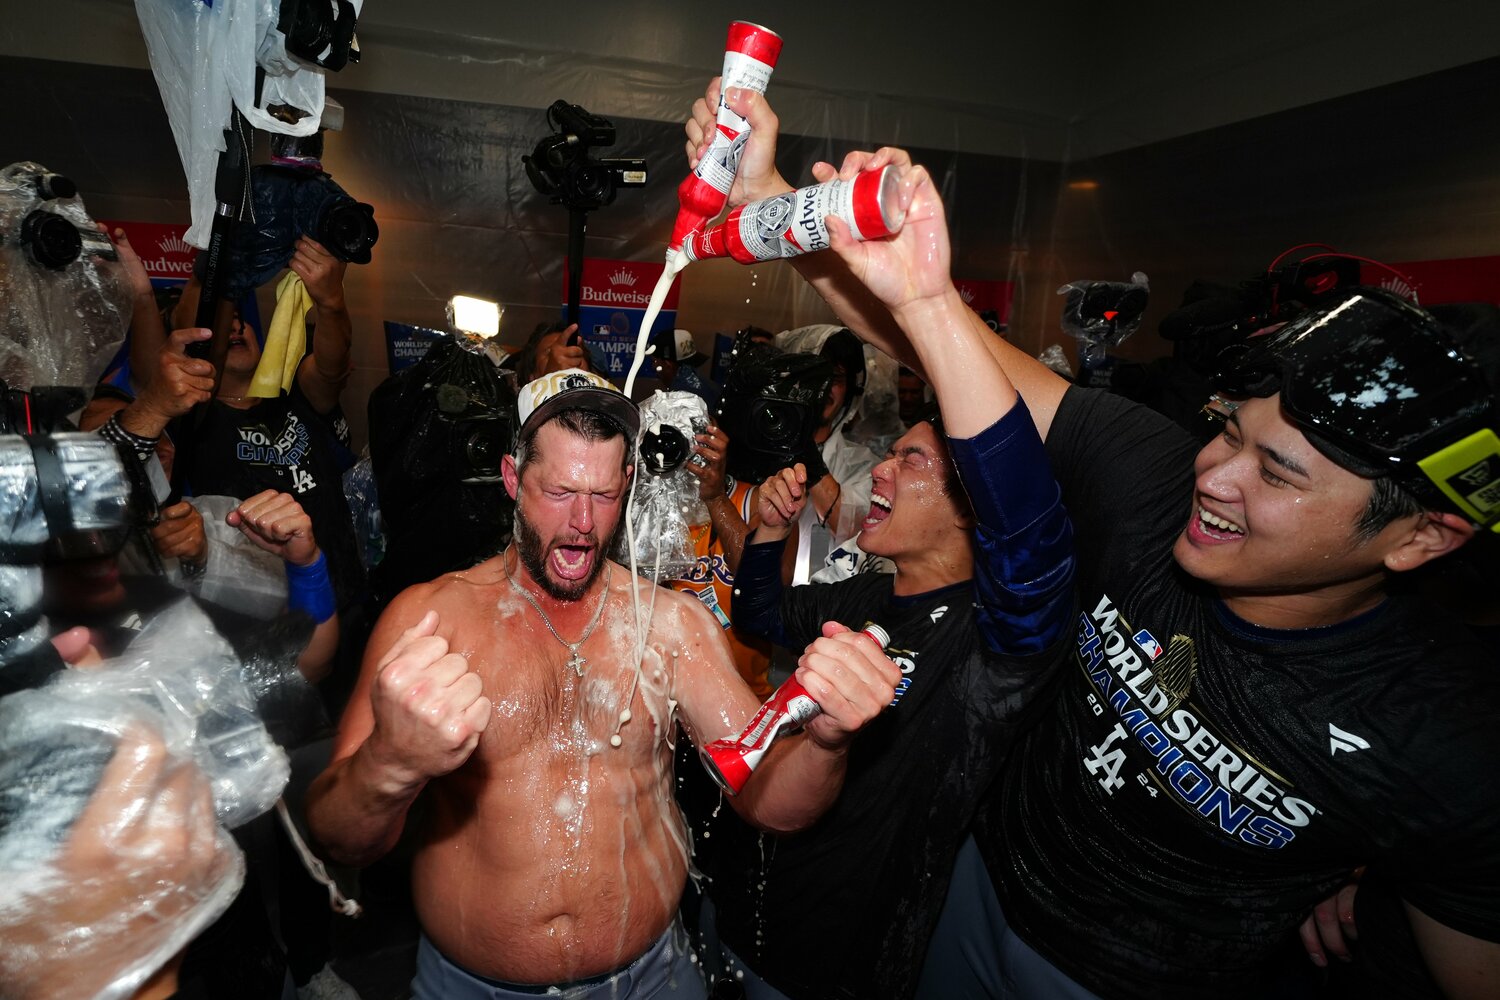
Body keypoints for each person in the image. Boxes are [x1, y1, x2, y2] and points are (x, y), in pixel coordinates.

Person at [689, 81, 1500, 999]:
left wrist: (1374, 883)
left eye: (1275, 474)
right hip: (956, 899)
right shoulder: (1154, 480)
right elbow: (941, 346)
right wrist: (774, 204)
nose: (1215, 477)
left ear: (1422, 538)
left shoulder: (1448, 741)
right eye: (1227, 431)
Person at [304, 367, 901, 998]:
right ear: (512, 479)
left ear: (629, 484)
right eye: (560, 491)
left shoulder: (672, 626)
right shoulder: (430, 621)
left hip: (651, 979)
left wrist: (827, 743)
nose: (583, 523)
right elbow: (339, 839)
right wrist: (390, 765)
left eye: (604, 494)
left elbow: (770, 803)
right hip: (474, 987)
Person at [680, 93, 1075, 1000]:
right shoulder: (868, 594)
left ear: (976, 509)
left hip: (842, 957)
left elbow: (1030, 522)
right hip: (749, 908)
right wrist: (769, 535)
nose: (882, 477)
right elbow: (762, 609)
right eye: (890, 455)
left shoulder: (993, 644)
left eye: (908, 463)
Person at [652, 327, 721, 407]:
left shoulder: (679, 399)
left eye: (654, 361)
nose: (653, 366)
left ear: (668, 365)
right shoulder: (711, 387)